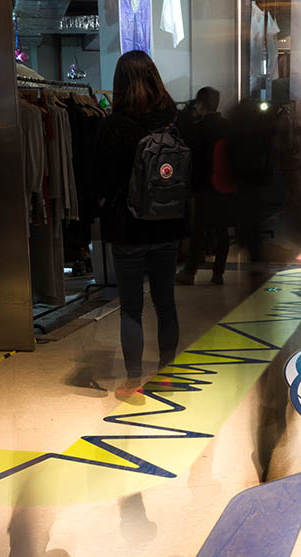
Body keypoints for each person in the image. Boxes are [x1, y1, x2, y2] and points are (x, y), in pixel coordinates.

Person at [95, 50, 186, 402]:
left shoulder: (113, 125)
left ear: (120, 83)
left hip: (128, 227)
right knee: (166, 303)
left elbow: (100, 183)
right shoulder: (176, 120)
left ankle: (132, 382)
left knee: (131, 307)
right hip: (168, 224)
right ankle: (167, 375)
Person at [177, 87, 231, 285]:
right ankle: (218, 273)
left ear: (201, 104)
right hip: (224, 186)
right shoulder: (228, 126)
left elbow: (193, 160)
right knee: (222, 230)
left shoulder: (198, 128)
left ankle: (190, 272)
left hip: (204, 186)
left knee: (198, 230)